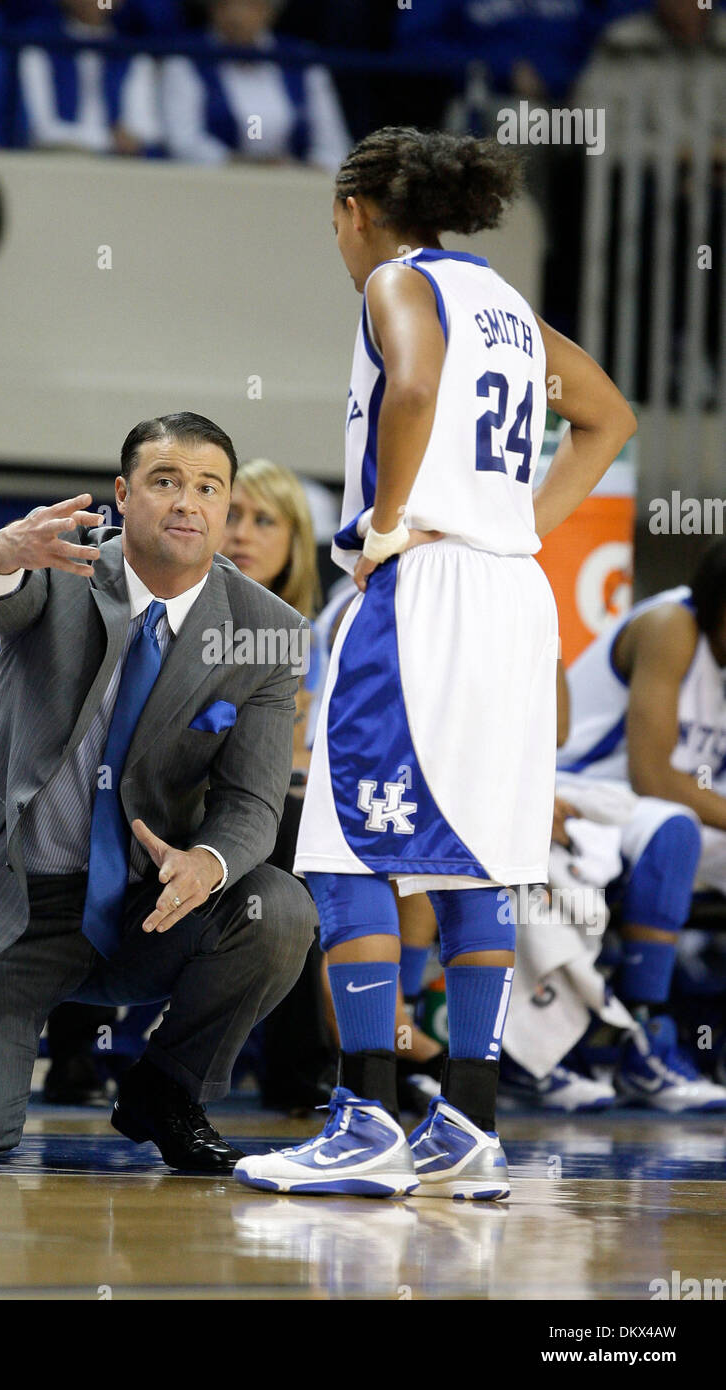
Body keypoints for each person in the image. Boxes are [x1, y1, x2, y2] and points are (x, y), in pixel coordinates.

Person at [234, 125, 637, 1200]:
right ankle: (468, 1119)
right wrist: (516, 523)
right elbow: (607, 416)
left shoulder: (397, 283)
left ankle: (364, 1116)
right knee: (477, 859)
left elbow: (409, 388)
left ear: (355, 210)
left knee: (343, 850)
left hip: (429, 591)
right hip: (511, 591)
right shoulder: (501, 300)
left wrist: (387, 522)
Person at [0, 412, 317, 1172]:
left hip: (146, 908)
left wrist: (209, 864)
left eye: (206, 487)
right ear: (124, 496)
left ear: (224, 508)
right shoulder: (59, 565)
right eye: (165, 482)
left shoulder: (268, 632)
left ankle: (166, 1088)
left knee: (276, 907)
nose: (186, 502)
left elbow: (253, 804)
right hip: (10, 901)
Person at [554, 539, 726, 1110]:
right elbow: (652, 776)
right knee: (673, 825)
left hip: (656, 815)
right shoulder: (671, 626)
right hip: (577, 793)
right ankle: (644, 1043)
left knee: (675, 825)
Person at [222, 457, 335, 1109]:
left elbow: (296, 750)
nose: (242, 533)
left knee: (323, 833)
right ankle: (302, 1065)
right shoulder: (183, 608)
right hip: (175, 797)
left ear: (295, 542)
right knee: (293, 834)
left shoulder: (307, 636)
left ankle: (352, 1055)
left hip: (262, 804)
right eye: (232, 515)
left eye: (265, 520)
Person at [161, 0, 350, 171]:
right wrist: (241, 164)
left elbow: (333, 144)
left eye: (249, 4)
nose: (236, 15)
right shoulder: (187, 57)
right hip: (219, 183)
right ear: (211, 8)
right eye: (226, 4)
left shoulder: (301, 58)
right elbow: (184, 140)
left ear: (269, 10)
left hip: (291, 183)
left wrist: (303, 170)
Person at [14, 0, 163, 156]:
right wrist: (109, 140)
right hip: (57, 161)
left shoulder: (132, 55)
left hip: (118, 165)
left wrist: (130, 140)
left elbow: (146, 130)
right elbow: (41, 131)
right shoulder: (39, 46)